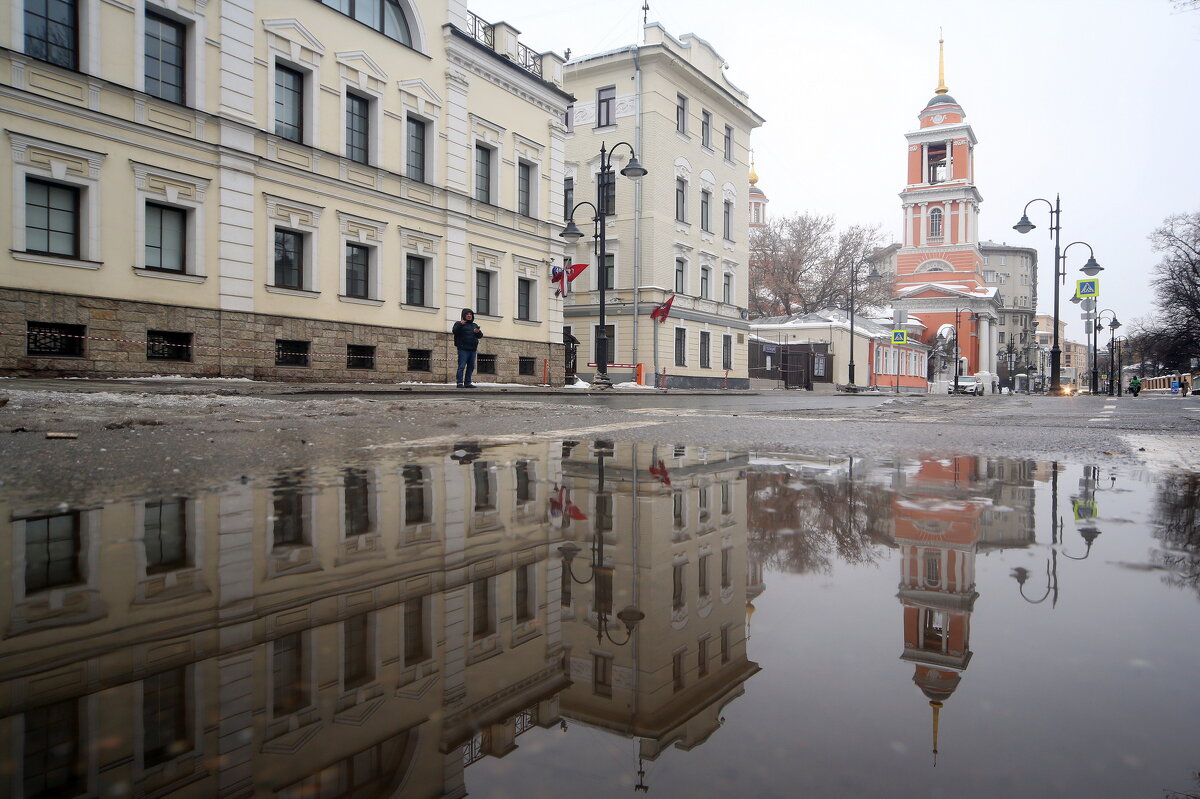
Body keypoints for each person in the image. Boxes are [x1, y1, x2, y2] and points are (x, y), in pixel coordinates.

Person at [452, 308, 483, 388]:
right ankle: (459, 382)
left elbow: (480, 336)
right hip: (463, 349)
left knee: (471, 367)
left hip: (472, 350)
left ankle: (467, 382)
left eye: (470, 314)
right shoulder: (458, 323)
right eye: (467, 314)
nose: (469, 316)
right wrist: (460, 324)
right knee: (461, 366)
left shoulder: (474, 325)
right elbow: (454, 331)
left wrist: (478, 332)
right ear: (464, 315)